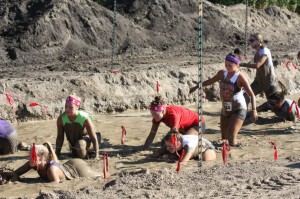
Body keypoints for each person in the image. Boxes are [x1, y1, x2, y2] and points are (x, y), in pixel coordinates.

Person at [197, 53, 258, 146]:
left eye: (230, 65)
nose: (227, 67)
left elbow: (252, 95)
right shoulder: (222, 73)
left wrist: (254, 110)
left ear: (237, 65)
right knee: (224, 139)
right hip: (225, 108)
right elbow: (210, 81)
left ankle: (234, 155)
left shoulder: (240, 77)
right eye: (226, 64)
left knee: (231, 138)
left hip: (238, 108)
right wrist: (197, 85)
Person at [11, 142, 101, 183]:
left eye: (32, 156)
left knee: (101, 176)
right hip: (67, 165)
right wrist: (14, 177)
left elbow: (56, 186)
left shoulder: (51, 170)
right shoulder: (32, 163)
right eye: (29, 156)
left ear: (42, 157)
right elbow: (15, 173)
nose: (29, 158)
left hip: (77, 168)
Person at [240, 33, 277, 102]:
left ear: (258, 41)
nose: (250, 42)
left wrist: (243, 64)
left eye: (251, 40)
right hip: (259, 81)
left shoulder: (264, 51)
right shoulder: (258, 51)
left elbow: (257, 65)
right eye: (249, 40)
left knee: (274, 103)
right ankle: (246, 112)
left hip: (269, 81)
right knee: (246, 96)